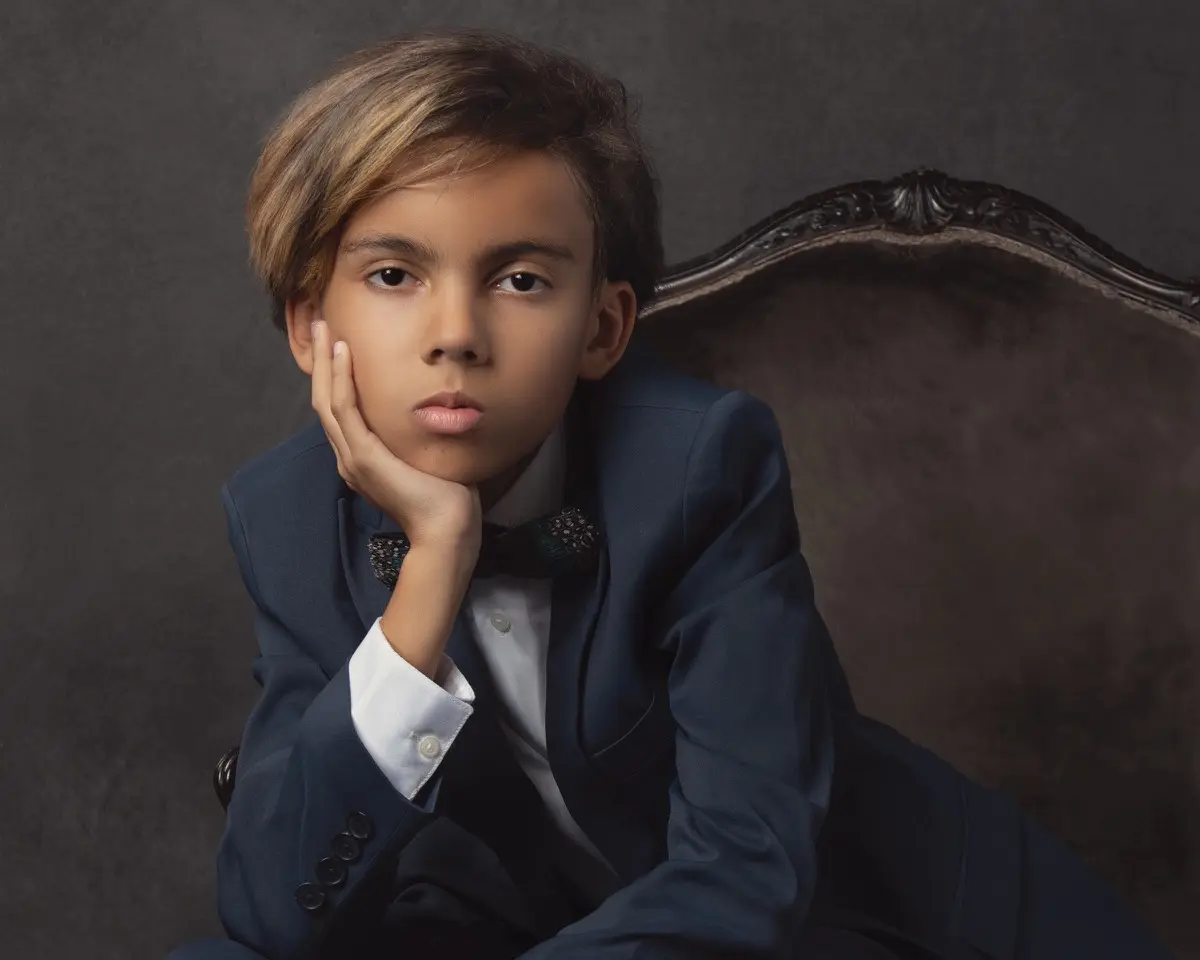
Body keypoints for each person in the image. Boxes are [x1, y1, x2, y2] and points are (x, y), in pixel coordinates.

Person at [169, 29, 1172, 960]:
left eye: (521, 281)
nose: (456, 335)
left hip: (841, 921)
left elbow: (746, 869)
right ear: (310, 327)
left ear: (603, 329)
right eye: (394, 274)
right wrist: (432, 568)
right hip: (532, 923)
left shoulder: (699, 467)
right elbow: (275, 907)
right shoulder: (284, 517)